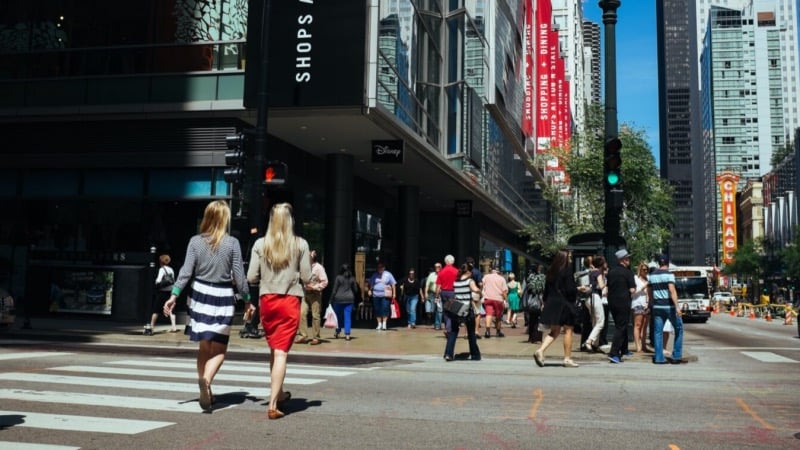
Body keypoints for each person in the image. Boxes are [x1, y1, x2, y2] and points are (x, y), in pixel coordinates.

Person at [162, 200, 251, 412]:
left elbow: (185, 271)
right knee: (220, 349)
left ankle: (205, 387)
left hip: (199, 294)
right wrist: (247, 299)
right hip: (222, 296)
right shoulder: (232, 243)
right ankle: (207, 381)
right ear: (224, 219)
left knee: (204, 346)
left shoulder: (195, 241)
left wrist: (173, 295)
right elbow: (239, 276)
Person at [247, 203, 312, 419]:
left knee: (274, 349)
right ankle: (273, 404)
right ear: (290, 220)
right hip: (289, 300)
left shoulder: (260, 244)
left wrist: (266, 278)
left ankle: (280, 392)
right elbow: (306, 276)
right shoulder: (300, 244)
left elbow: (251, 277)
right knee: (282, 351)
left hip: (267, 299)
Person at [533, 250, 584, 368]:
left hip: (552, 303)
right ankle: (567, 358)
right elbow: (570, 290)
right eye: (569, 256)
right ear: (564, 258)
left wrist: (545, 303)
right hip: (564, 304)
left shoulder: (551, 271)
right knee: (568, 330)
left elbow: (546, 291)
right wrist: (579, 289)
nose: (571, 258)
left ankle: (540, 350)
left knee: (554, 331)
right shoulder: (567, 271)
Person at [648, 254, 684, 364]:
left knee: (658, 332)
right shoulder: (669, 275)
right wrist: (677, 307)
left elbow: (649, 292)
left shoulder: (652, 276)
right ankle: (676, 355)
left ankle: (659, 357)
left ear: (659, 263)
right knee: (679, 328)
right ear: (668, 263)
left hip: (657, 306)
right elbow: (672, 291)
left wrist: (652, 303)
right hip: (669, 306)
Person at [443, 263, 482, 361]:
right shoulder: (470, 281)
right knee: (471, 333)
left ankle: (448, 354)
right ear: (468, 272)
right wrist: (480, 291)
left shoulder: (456, 281)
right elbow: (475, 290)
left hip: (456, 309)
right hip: (467, 309)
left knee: (453, 331)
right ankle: (475, 354)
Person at [606, 249, 636, 364]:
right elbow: (632, 289)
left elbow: (608, 287)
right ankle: (614, 353)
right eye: (627, 258)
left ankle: (624, 349)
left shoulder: (611, 272)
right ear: (623, 260)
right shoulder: (628, 273)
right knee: (621, 327)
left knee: (620, 324)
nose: (629, 260)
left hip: (612, 302)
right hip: (623, 302)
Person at [297, 250, 328, 345]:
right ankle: (303, 336)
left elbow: (325, 281)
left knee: (315, 316)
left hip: (315, 294)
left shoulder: (319, 268)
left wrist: (315, 287)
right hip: (305, 293)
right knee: (301, 313)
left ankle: (316, 337)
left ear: (312, 258)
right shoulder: (304, 267)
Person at [328, 264, 360, 340]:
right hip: (349, 299)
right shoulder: (352, 278)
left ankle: (337, 332)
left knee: (338, 317)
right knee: (347, 316)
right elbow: (356, 290)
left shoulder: (338, 278)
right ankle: (347, 334)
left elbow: (334, 290)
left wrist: (330, 300)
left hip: (338, 299)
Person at [582, 255, 606, 352]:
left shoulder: (590, 273)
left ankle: (594, 345)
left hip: (588, 299)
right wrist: (605, 283)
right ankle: (589, 341)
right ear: (601, 264)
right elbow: (601, 286)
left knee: (594, 322)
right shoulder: (598, 273)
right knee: (601, 321)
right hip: (595, 297)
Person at [148, 253, 177, 335]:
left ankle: (152, 327)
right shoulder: (171, 269)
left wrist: (155, 283)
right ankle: (174, 327)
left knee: (156, 310)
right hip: (170, 292)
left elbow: (158, 280)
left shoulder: (161, 269)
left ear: (160, 261)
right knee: (171, 310)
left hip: (162, 292)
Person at [481, 264, 508, 338]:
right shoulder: (502, 279)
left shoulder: (486, 277)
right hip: (498, 299)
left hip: (488, 298)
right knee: (498, 316)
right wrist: (506, 300)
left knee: (488, 314)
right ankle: (498, 331)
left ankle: (487, 331)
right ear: (498, 271)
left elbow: (481, 284)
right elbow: (504, 291)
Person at [368, 262, 396, 331]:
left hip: (385, 295)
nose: (379, 268)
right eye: (378, 267)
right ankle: (379, 324)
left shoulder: (388, 274)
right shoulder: (374, 275)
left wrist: (394, 294)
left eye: (381, 267)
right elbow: (371, 284)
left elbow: (393, 284)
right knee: (377, 309)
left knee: (385, 308)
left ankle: (384, 323)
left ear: (384, 268)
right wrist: (369, 290)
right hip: (376, 295)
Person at [435, 255, 459, 335]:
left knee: (446, 311)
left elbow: (438, 286)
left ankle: (448, 328)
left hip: (444, 292)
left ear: (445, 262)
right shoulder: (456, 271)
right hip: (453, 292)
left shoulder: (441, 272)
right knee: (452, 311)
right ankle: (450, 329)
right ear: (453, 261)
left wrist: (436, 296)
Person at [632, 261, 651, 353]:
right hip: (638, 303)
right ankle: (638, 346)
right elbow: (633, 292)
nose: (646, 271)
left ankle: (643, 345)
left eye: (647, 269)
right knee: (638, 325)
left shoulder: (649, 279)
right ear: (640, 270)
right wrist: (644, 287)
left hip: (647, 304)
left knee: (645, 326)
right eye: (644, 269)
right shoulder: (635, 279)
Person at [524, 264, 546, 343]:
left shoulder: (529, 277)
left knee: (532, 319)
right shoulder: (542, 277)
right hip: (540, 300)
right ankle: (538, 338)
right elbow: (544, 289)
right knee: (539, 319)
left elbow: (526, 289)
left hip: (531, 300)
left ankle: (531, 337)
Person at [423, 263, 442, 328]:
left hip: (440, 294)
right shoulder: (431, 275)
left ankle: (437, 324)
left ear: (441, 267)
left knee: (439, 309)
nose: (437, 268)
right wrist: (425, 293)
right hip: (431, 293)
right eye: (436, 267)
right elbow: (427, 285)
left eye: (438, 266)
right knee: (431, 310)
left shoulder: (442, 274)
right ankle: (433, 321)